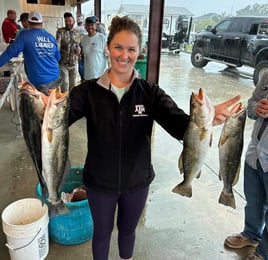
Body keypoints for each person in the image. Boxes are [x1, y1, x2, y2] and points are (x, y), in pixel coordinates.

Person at [68, 15, 240, 260]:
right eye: (118, 47)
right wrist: (44, 109)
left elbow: (180, 125)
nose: (124, 55)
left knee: (127, 232)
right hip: (99, 182)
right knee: (102, 234)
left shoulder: (150, 93)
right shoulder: (86, 92)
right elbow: (60, 119)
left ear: (140, 52)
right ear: (108, 48)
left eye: (131, 49)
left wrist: (206, 120)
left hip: (137, 182)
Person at [224, 71, 268, 260]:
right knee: (254, 201)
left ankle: (264, 252)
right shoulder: (266, 75)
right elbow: (251, 106)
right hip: (255, 154)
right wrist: (256, 107)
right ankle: (251, 235)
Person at [0, 11, 61, 95]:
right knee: (54, 105)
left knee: (42, 107)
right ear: (42, 23)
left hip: (40, 81)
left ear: (28, 23)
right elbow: (57, 58)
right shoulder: (50, 37)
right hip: (56, 77)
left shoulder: (24, 35)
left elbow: (10, 53)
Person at [56, 12, 80, 92]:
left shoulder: (77, 33)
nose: (68, 23)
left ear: (74, 21)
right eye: (66, 21)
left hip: (74, 62)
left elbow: (78, 45)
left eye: (69, 21)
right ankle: (64, 101)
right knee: (65, 83)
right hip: (63, 63)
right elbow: (57, 45)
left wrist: (79, 49)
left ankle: (73, 100)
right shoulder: (60, 31)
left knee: (73, 83)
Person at [80, 16, 107, 80]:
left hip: (101, 75)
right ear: (85, 27)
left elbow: (108, 56)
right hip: (88, 75)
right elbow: (84, 56)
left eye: (92, 25)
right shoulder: (83, 40)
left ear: (96, 26)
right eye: (88, 25)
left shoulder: (102, 38)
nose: (90, 27)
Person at [74, 15, 87, 82]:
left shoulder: (75, 29)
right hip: (86, 48)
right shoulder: (85, 28)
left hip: (78, 48)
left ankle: (82, 78)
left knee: (80, 64)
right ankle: (85, 78)